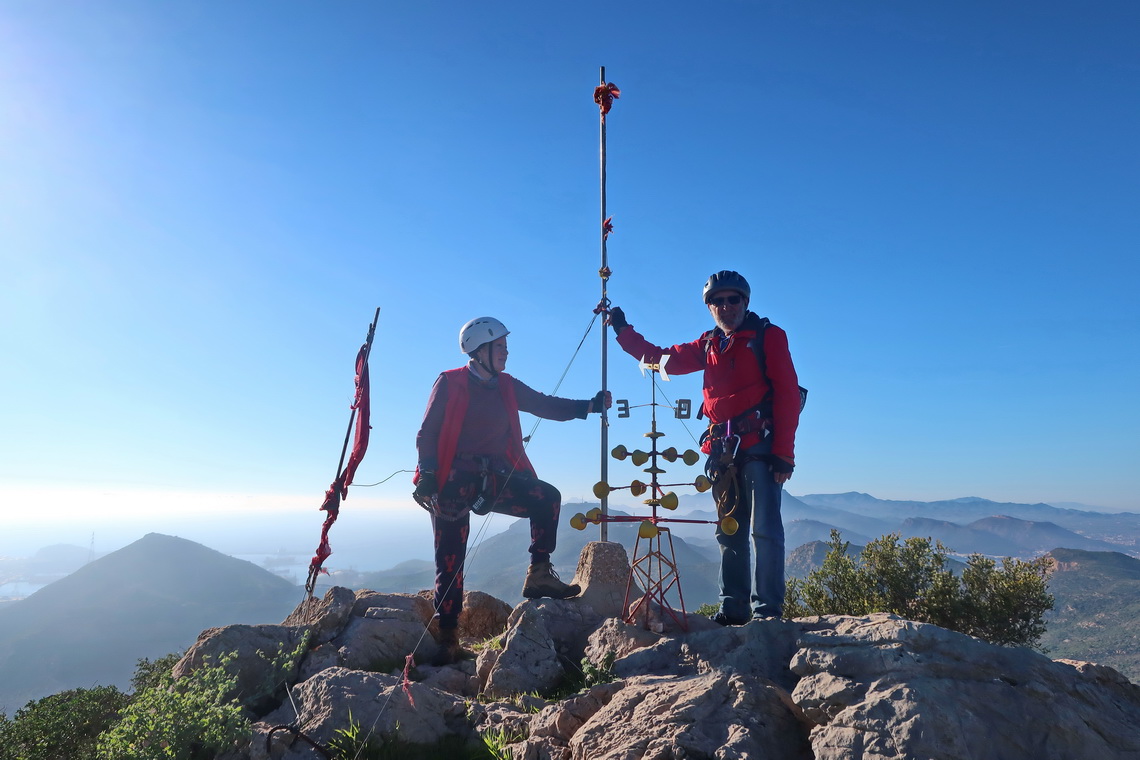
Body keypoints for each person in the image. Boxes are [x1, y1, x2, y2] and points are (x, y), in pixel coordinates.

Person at [607, 270, 800, 624]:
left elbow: (788, 394)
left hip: (760, 447)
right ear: (709, 307)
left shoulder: (768, 336)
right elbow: (657, 358)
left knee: (764, 530)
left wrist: (783, 453)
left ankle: (768, 613)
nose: (726, 307)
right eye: (717, 301)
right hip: (722, 453)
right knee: (729, 531)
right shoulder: (709, 345)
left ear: (745, 302)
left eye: (733, 299)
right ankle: (733, 608)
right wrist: (622, 329)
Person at [414, 316, 610, 664]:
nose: (506, 352)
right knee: (450, 557)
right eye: (500, 347)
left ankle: (538, 574)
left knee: (546, 497)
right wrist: (427, 475)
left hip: (493, 478)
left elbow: (544, 405)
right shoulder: (450, 382)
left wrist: (589, 406)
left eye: (505, 346)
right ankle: (448, 635)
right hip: (452, 483)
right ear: (479, 351)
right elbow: (427, 433)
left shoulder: (506, 385)